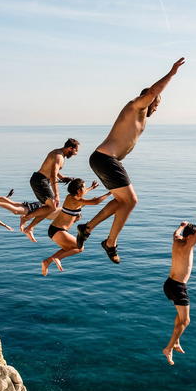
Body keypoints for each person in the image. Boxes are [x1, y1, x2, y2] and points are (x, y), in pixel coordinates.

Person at [76, 58, 186, 263]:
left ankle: (87, 227)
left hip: (106, 160)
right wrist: (171, 73)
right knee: (131, 201)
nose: (157, 108)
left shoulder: (141, 117)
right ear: (148, 99)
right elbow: (152, 92)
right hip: (105, 159)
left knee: (122, 201)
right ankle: (110, 242)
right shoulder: (136, 106)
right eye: (157, 104)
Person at [162, 195, 196, 366]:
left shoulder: (177, 241)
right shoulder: (188, 245)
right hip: (178, 287)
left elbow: (175, 233)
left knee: (180, 318)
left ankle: (176, 341)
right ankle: (168, 348)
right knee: (186, 321)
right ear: (191, 237)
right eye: (195, 236)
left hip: (169, 284)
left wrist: (181, 226)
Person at [41, 178, 111, 276]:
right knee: (79, 247)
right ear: (78, 190)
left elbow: (83, 193)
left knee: (69, 249)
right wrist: (109, 193)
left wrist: (91, 188)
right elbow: (96, 201)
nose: (85, 189)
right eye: (84, 187)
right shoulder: (76, 201)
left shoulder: (70, 197)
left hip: (55, 230)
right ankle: (57, 259)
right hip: (58, 230)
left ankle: (47, 262)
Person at [20, 138, 80, 242]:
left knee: (48, 208)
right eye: (76, 151)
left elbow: (53, 171)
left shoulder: (58, 153)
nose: (76, 153)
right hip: (40, 181)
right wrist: (57, 195)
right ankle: (26, 220)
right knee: (52, 207)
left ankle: (29, 227)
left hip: (40, 180)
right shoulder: (59, 157)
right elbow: (52, 176)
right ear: (70, 148)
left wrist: (62, 178)